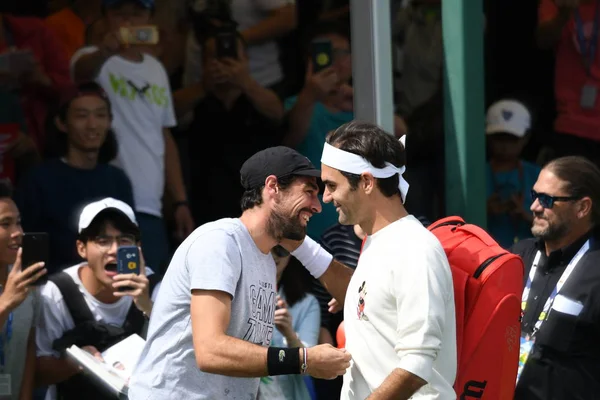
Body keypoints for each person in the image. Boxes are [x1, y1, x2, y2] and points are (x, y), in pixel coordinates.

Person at [128, 146, 351, 400]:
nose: (318, 206)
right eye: (309, 192)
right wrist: (304, 359)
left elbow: (248, 360)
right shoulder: (219, 242)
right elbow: (211, 350)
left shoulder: (265, 259)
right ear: (273, 188)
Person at [283, 121, 457, 399]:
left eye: (331, 185)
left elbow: (417, 365)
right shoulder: (379, 241)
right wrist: (295, 242)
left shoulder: (415, 249)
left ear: (366, 182)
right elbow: (362, 296)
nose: (325, 198)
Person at [71, 0, 194, 271]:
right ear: (105, 18)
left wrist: (180, 200)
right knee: (113, 285)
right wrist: (105, 50)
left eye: (137, 12)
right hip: (106, 197)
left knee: (150, 288)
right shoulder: (93, 57)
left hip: (152, 205)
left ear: (150, 17)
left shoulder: (156, 68)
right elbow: (81, 73)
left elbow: (165, 137)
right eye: (119, 12)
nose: (128, 20)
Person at [35, 197, 161, 400]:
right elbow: (38, 370)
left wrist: (147, 306)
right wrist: (76, 362)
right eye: (103, 241)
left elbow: (182, 357)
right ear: (81, 248)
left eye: (124, 240)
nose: (114, 250)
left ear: (138, 247)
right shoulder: (56, 292)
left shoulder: (155, 287)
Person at [16, 82, 134, 274]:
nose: (92, 124)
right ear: (62, 123)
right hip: (53, 291)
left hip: (111, 292)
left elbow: (129, 243)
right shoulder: (39, 180)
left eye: (100, 115)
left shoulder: (118, 180)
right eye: (82, 116)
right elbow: (29, 247)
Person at [513, 156, 600, 399]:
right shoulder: (517, 257)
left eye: (547, 200)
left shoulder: (595, 272)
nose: (535, 207)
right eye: (534, 196)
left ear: (582, 207)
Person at [0, 182, 46, 400]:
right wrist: (5, 303)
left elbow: (29, 344)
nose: (18, 233)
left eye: (18, 222)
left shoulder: (27, 278)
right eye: (5, 224)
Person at [259, 246, 321, 400]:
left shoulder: (307, 303)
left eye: (282, 249)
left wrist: (289, 333)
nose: (274, 254)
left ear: (292, 254)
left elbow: (310, 366)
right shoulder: (235, 294)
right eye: (269, 246)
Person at [485, 99, 541, 248]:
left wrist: (526, 215)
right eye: (499, 138)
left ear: (526, 138)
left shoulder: (539, 175)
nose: (505, 146)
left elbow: (555, 221)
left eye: (512, 140)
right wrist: (484, 211)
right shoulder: (477, 175)